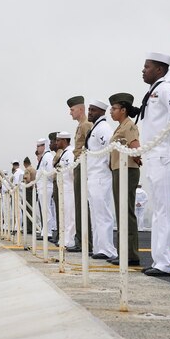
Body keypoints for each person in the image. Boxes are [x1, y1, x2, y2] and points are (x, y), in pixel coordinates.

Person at [139, 52, 170, 277]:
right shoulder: (153, 90)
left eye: (147, 67)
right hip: (154, 155)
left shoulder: (167, 88)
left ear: (159, 69)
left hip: (165, 154)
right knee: (158, 210)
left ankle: (169, 262)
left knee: (166, 210)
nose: (143, 70)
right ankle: (160, 260)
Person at [108, 92, 142, 266]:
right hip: (119, 170)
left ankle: (130, 254)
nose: (111, 112)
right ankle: (124, 252)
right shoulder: (121, 126)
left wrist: (136, 159)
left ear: (123, 109)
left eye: (114, 109)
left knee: (126, 212)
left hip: (126, 170)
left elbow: (136, 148)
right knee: (121, 212)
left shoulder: (128, 126)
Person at [85, 99, 117, 260]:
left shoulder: (103, 128)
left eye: (93, 110)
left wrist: (107, 167)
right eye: (89, 109)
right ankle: (99, 246)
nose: (89, 112)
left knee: (103, 213)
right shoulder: (95, 128)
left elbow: (109, 149)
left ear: (101, 112)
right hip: (93, 175)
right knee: (95, 213)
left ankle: (107, 249)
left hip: (101, 175)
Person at [67, 96, 93, 252]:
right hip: (78, 165)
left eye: (72, 110)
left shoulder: (87, 125)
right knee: (78, 203)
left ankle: (85, 241)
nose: (70, 113)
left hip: (84, 165)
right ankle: (81, 240)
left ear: (81, 109)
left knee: (82, 203)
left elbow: (91, 147)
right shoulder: (80, 126)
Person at [55, 131, 76, 248]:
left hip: (69, 188)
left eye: (58, 140)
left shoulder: (69, 154)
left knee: (70, 216)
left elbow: (72, 172)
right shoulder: (64, 153)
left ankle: (70, 240)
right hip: (64, 189)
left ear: (64, 141)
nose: (57, 142)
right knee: (65, 215)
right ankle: (65, 239)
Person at [36, 137, 55, 238]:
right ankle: (45, 231)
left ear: (44, 146)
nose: (37, 148)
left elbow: (50, 173)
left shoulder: (47, 157)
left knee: (46, 210)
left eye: (39, 146)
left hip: (46, 187)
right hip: (42, 188)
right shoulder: (43, 157)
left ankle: (48, 232)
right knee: (43, 210)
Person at [49, 132, 63, 243]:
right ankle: (59, 235)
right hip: (56, 182)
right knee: (58, 210)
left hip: (60, 183)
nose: (51, 144)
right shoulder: (57, 154)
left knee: (61, 210)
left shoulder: (61, 153)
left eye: (52, 142)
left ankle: (60, 235)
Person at [22, 157, 36, 235]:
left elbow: (27, 179)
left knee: (28, 209)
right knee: (32, 209)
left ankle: (29, 228)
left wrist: (24, 180)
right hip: (33, 190)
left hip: (29, 190)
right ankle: (31, 227)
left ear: (24, 163)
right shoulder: (33, 169)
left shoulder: (27, 170)